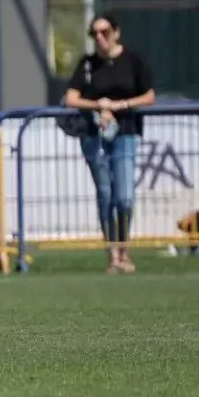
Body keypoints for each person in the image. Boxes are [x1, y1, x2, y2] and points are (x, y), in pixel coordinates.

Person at [63, 14, 155, 274]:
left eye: (104, 32)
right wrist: (98, 105)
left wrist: (120, 105)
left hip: (125, 132)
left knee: (124, 197)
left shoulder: (133, 60)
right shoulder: (88, 64)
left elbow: (149, 95)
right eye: (94, 34)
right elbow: (71, 98)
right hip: (94, 136)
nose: (99, 38)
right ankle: (113, 255)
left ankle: (124, 249)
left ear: (116, 32)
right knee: (105, 194)